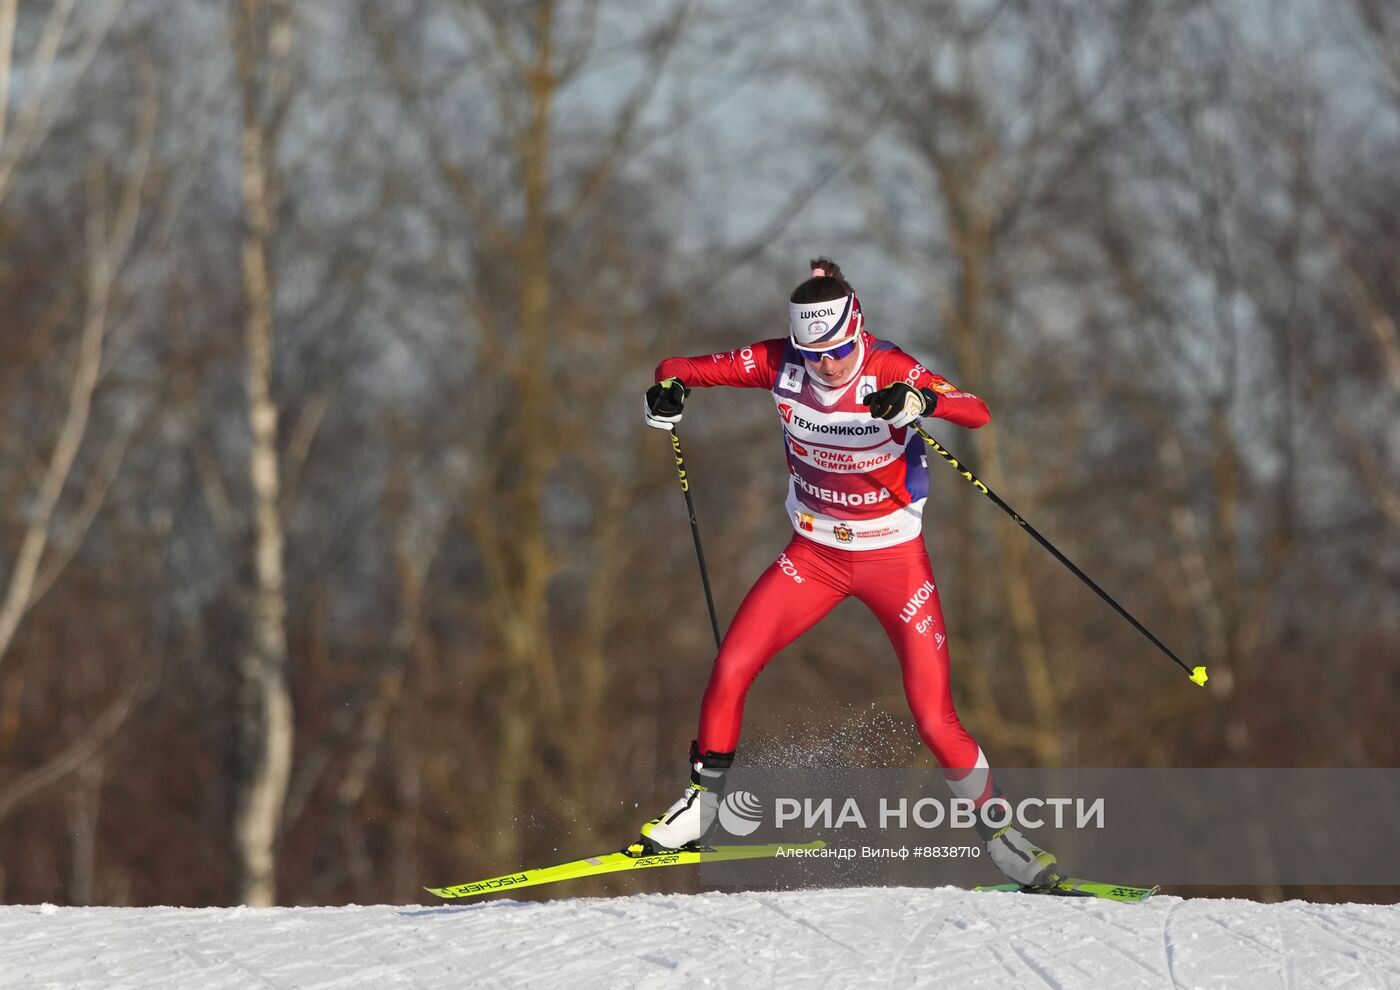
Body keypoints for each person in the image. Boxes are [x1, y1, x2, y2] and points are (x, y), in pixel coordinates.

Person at [635, 258, 1058, 886]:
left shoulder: (886, 365)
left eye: (836, 350)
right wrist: (666, 395)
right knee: (730, 665)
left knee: (933, 714)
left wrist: (920, 399)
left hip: (894, 561)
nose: (826, 365)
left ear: (856, 329)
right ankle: (703, 807)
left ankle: (1000, 832)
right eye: (813, 353)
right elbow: (677, 369)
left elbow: (976, 411)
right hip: (814, 556)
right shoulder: (778, 363)